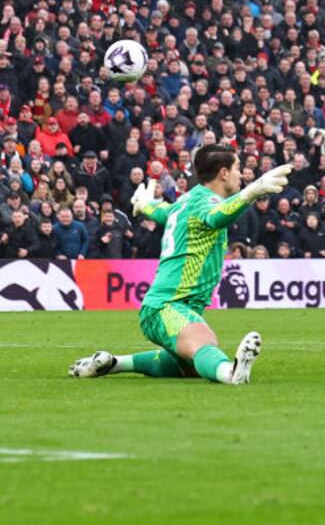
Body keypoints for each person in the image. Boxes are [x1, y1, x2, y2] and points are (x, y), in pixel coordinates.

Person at [68, 144, 291, 385]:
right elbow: (217, 217)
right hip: (168, 305)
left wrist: (144, 204)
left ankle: (113, 363)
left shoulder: (186, 201)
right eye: (238, 168)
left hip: (172, 305)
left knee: (190, 365)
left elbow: (163, 213)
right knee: (204, 341)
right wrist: (252, 191)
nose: (242, 175)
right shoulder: (205, 202)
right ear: (224, 173)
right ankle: (231, 373)